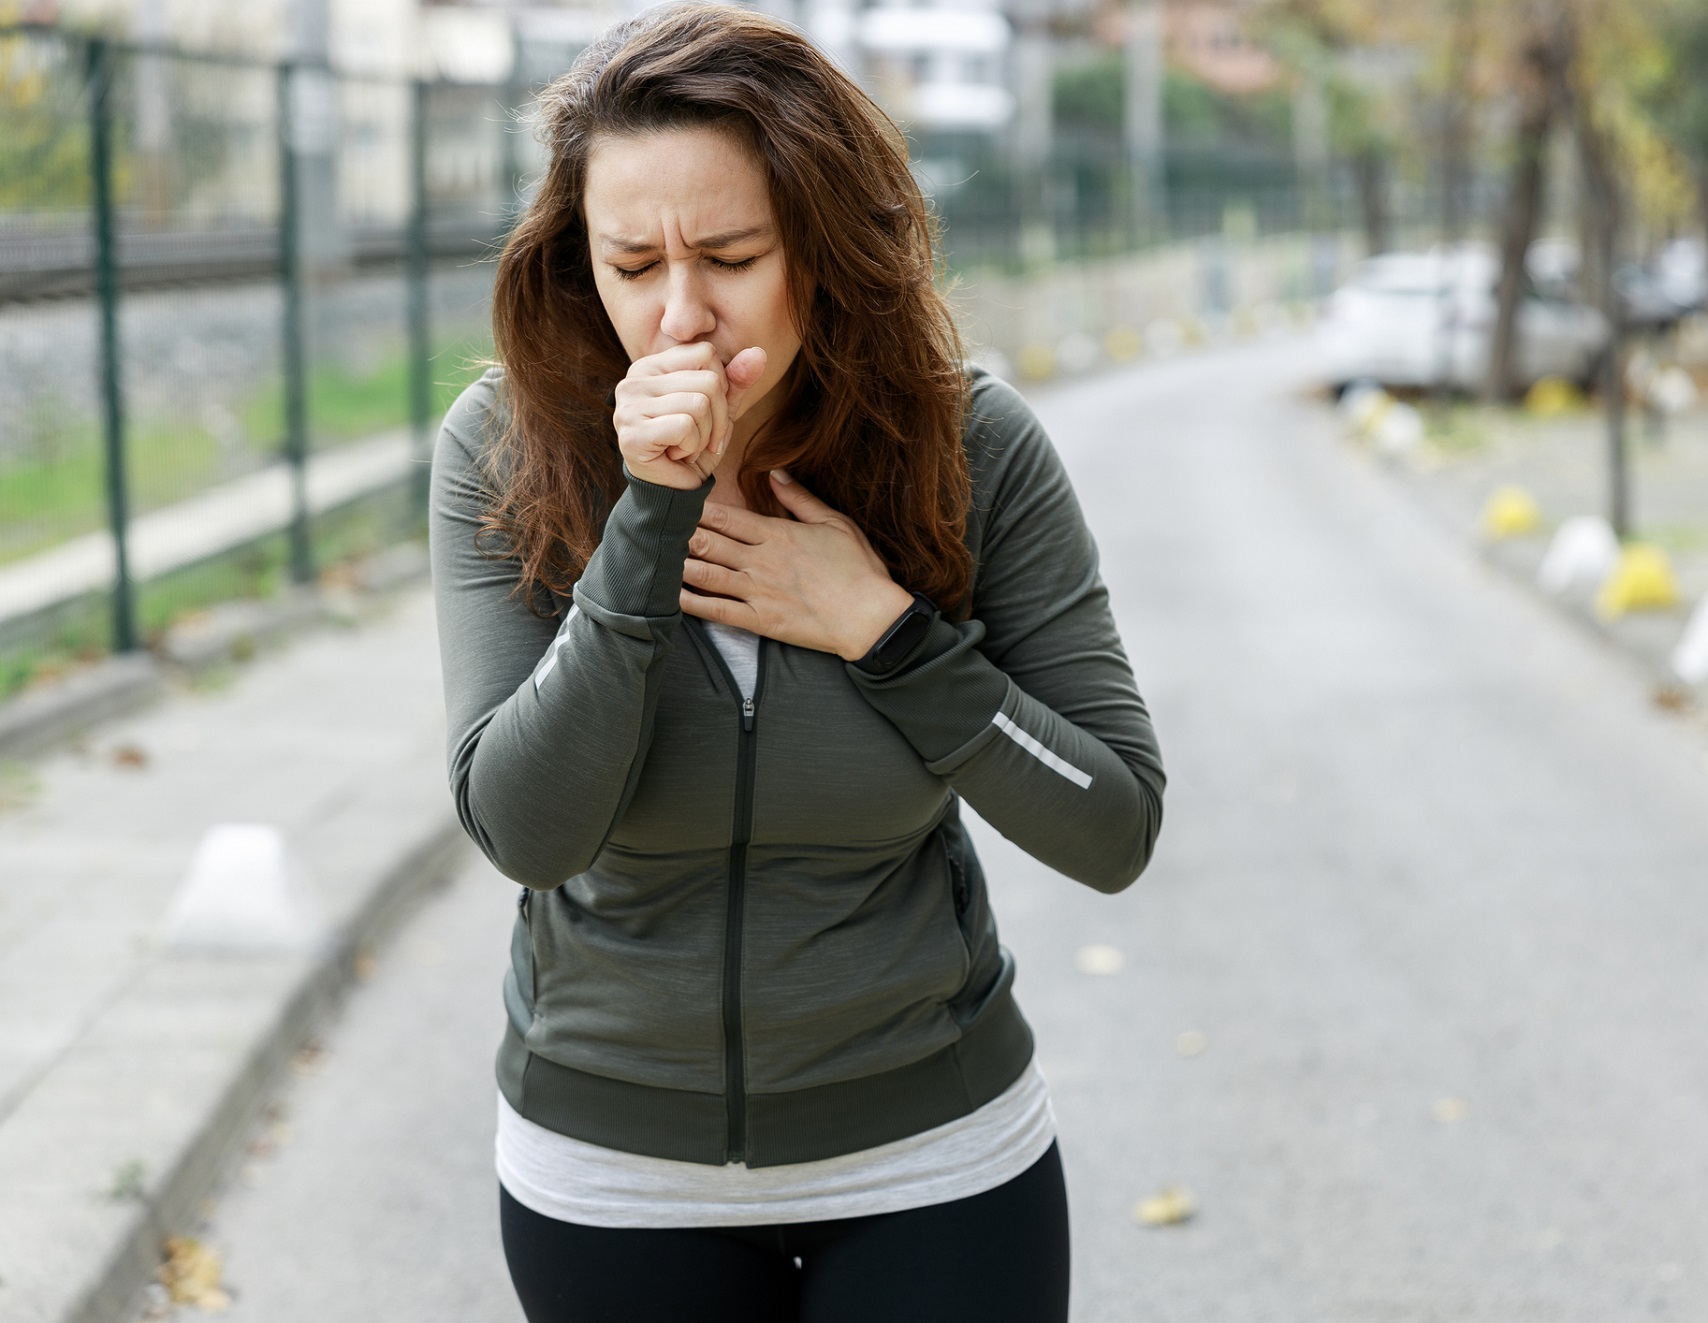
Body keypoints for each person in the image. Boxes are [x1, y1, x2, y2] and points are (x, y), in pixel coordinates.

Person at [429, 7, 1164, 1320]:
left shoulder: (971, 447)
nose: (677, 312)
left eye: (728, 254)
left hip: (936, 1161)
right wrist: (648, 514)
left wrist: (885, 634)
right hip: (612, 1176)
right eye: (629, 261)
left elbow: (1111, 825)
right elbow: (527, 827)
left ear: (821, 248)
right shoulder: (508, 448)